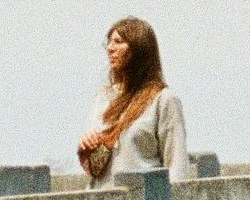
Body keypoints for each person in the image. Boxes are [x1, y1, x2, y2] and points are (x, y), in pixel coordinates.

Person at [79, 18, 187, 179]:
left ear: (139, 48)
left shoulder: (163, 99)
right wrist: (86, 149)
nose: (110, 48)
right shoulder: (104, 98)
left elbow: (176, 166)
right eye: (109, 42)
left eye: (118, 41)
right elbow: (96, 170)